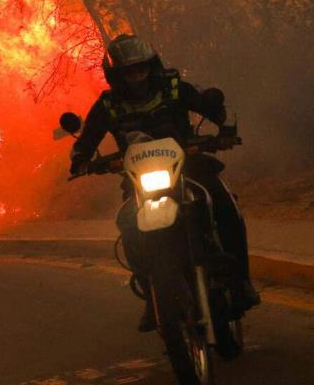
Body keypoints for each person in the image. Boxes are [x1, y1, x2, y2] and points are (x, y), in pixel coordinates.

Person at [69, 33, 260, 332]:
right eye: (129, 72)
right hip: (139, 179)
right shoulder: (108, 105)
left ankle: (241, 282)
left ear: (151, 65)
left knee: (223, 203)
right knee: (129, 223)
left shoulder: (173, 85)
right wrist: (81, 158)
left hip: (189, 165)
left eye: (141, 69)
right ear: (117, 75)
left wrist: (223, 127)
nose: (137, 76)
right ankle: (153, 297)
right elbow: (88, 138)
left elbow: (209, 105)